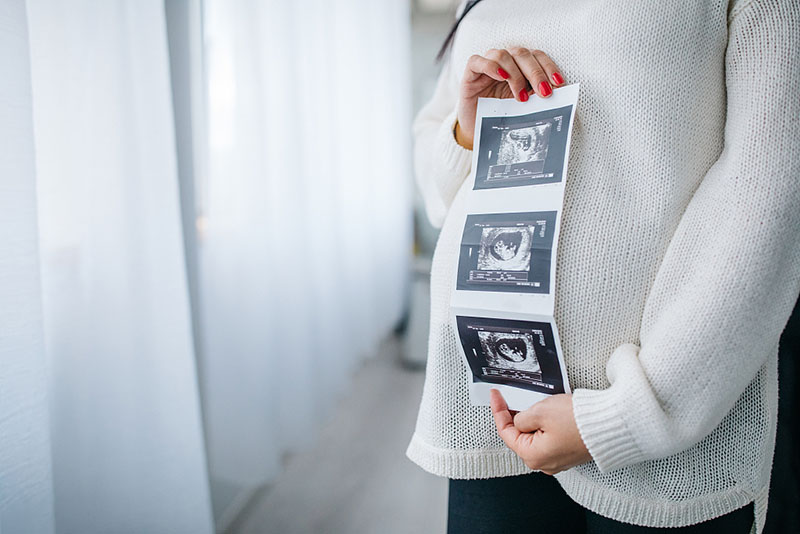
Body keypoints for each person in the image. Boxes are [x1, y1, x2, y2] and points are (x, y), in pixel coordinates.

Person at [405, 1, 800, 532]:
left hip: (655, 431)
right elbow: (435, 177)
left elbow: (771, 190)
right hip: (491, 403)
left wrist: (630, 417)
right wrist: (469, 130)